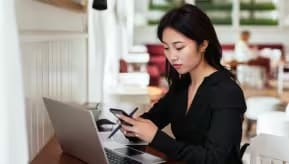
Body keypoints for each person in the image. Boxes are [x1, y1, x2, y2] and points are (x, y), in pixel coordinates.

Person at [117, 4, 246, 164]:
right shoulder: (182, 85)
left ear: (203, 45)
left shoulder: (227, 92)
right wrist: (132, 127)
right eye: (166, 48)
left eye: (179, 47)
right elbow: (153, 119)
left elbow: (214, 159)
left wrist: (155, 137)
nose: (172, 56)